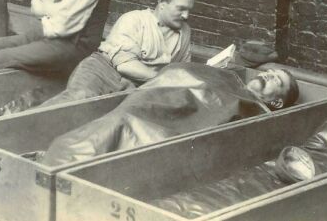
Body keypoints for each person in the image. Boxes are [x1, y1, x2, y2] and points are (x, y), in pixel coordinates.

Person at [40, 63, 300, 167]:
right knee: (121, 118)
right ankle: (67, 155)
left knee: (125, 127)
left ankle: (67, 158)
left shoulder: (259, 111)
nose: (267, 74)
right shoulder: (230, 78)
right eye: (268, 71)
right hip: (150, 104)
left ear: (277, 101)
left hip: (163, 126)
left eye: (276, 79)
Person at [41, 0, 194, 106]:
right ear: (162, 2)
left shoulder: (184, 32)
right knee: (77, 100)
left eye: (189, 10)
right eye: (181, 9)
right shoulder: (134, 20)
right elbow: (127, 66)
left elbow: (181, 70)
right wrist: (167, 79)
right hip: (103, 71)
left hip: (135, 86)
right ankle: (20, 125)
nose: (186, 15)